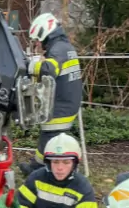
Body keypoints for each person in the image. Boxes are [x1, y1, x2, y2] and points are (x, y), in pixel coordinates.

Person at [22, 12, 83, 175]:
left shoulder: (58, 49)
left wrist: (28, 66)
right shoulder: (64, 46)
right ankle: (38, 167)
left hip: (62, 105)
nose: (38, 45)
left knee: (49, 136)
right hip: (68, 101)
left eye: (38, 41)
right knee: (48, 136)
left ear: (44, 33)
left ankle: (39, 170)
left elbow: (49, 70)